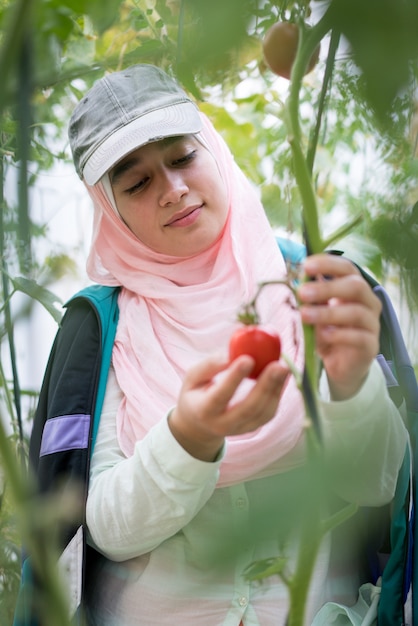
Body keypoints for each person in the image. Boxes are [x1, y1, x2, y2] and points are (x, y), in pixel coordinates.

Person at [32, 64, 410, 625]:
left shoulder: (316, 289)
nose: (173, 190)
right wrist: (190, 437)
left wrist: (354, 385)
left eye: (183, 157)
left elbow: (380, 487)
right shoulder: (103, 330)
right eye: (136, 183)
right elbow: (106, 531)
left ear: (213, 150)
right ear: (110, 213)